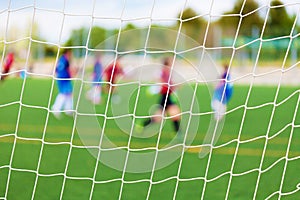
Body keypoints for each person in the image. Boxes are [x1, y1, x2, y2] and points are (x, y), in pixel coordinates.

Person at [137, 57, 181, 136]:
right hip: (165, 96)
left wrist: (175, 86)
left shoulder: (168, 73)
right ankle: (178, 133)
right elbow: (161, 82)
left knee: (171, 115)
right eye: (171, 63)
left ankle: (178, 132)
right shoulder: (163, 72)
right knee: (169, 115)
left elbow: (170, 84)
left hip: (168, 96)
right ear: (167, 64)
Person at [51, 49, 74, 118]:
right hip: (64, 79)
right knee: (64, 93)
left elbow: (56, 69)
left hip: (61, 78)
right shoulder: (65, 60)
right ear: (67, 53)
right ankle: (56, 108)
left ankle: (68, 109)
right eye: (70, 53)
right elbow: (67, 69)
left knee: (68, 93)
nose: (71, 55)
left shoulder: (61, 59)